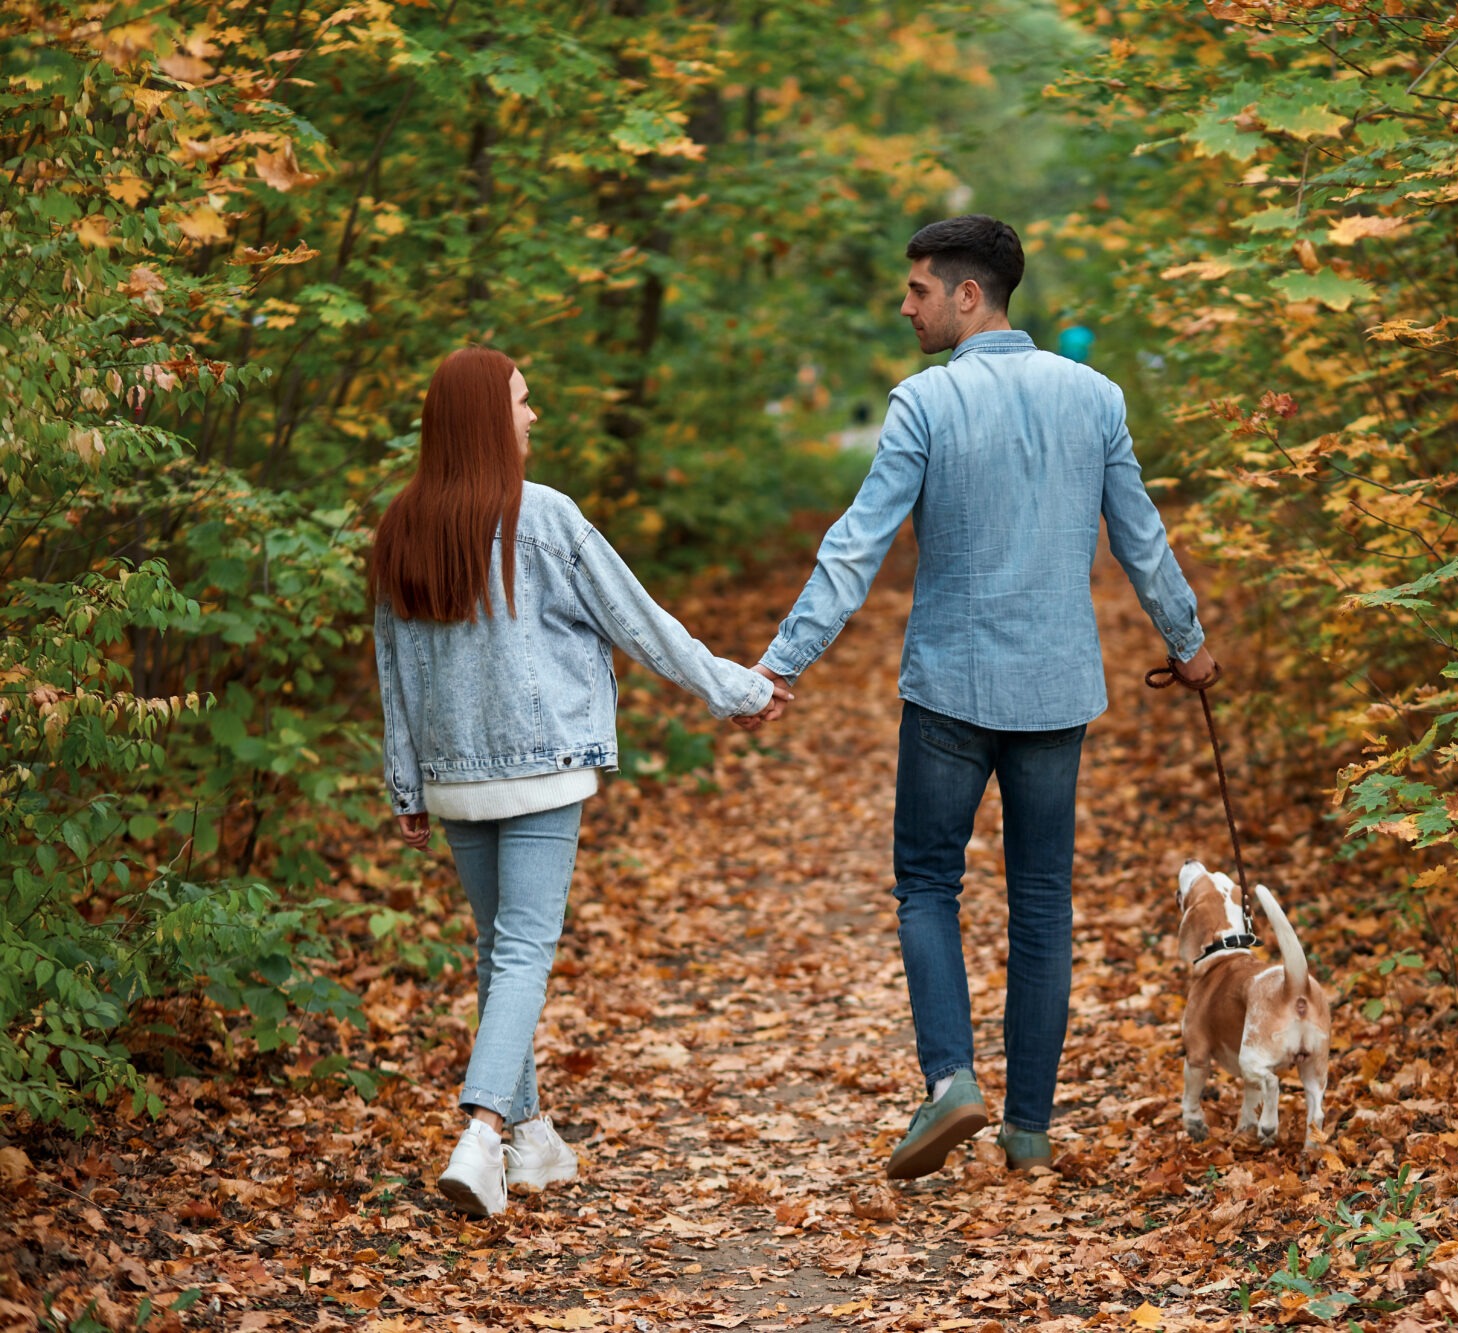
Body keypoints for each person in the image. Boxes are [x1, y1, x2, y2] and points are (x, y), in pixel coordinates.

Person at [744, 215, 1216, 1180]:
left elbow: (855, 543)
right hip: (1053, 691)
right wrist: (1190, 645)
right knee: (1043, 903)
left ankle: (952, 1078)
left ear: (969, 295)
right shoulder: (1095, 397)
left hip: (952, 692)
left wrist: (785, 662)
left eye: (918, 289)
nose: (905, 304)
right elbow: (1143, 539)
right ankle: (1030, 1129)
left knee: (927, 883)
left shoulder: (924, 404)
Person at [372, 346, 788, 1217]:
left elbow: (394, 665)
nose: (533, 417)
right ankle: (483, 1132)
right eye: (523, 403)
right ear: (487, 417)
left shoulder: (400, 525)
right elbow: (640, 621)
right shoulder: (545, 517)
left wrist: (406, 781)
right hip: (541, 766)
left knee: (497, 951)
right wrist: (735, 688)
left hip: (452, 776)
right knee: (523, 951)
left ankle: (532, 1140)